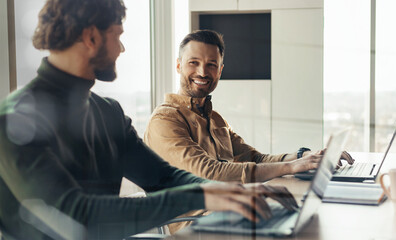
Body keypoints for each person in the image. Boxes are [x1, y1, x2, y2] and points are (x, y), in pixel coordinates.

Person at [0, 1, 297, 239]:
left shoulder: (108, 113)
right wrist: (205, 195)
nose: (122, 48)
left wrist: (227, 190)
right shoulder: (13, 119)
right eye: (118, 36)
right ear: (91, 37)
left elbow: (163, 177)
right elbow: (76, 216)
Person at [144, 29, 354, 184]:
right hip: (196, 223)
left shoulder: (215, 118)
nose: (203, 72)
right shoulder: (165, 120)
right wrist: (290, 167)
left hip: (234, 207)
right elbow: (208, 172)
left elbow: (256, 158)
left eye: (211, 65)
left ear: (220, 70)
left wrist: (304, 157)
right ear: (179, 65)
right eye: (194, 62)